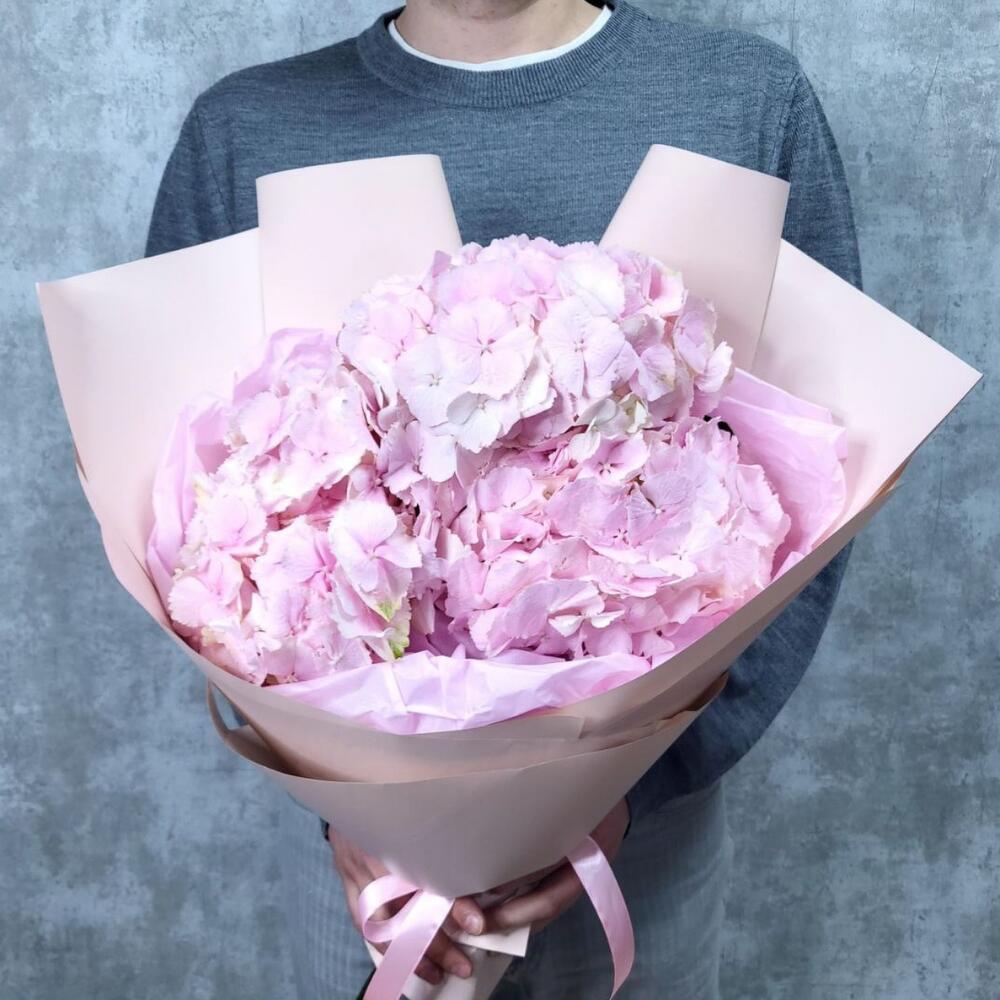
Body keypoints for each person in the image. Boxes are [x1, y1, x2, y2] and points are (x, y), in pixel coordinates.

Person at [145, 1, 862, 997]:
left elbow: (820, 486)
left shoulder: (743, 101)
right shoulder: (246, 130)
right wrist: (349, 806)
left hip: (637, 845)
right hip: (358, 865)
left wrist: (632, 787)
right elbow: (192, 515)